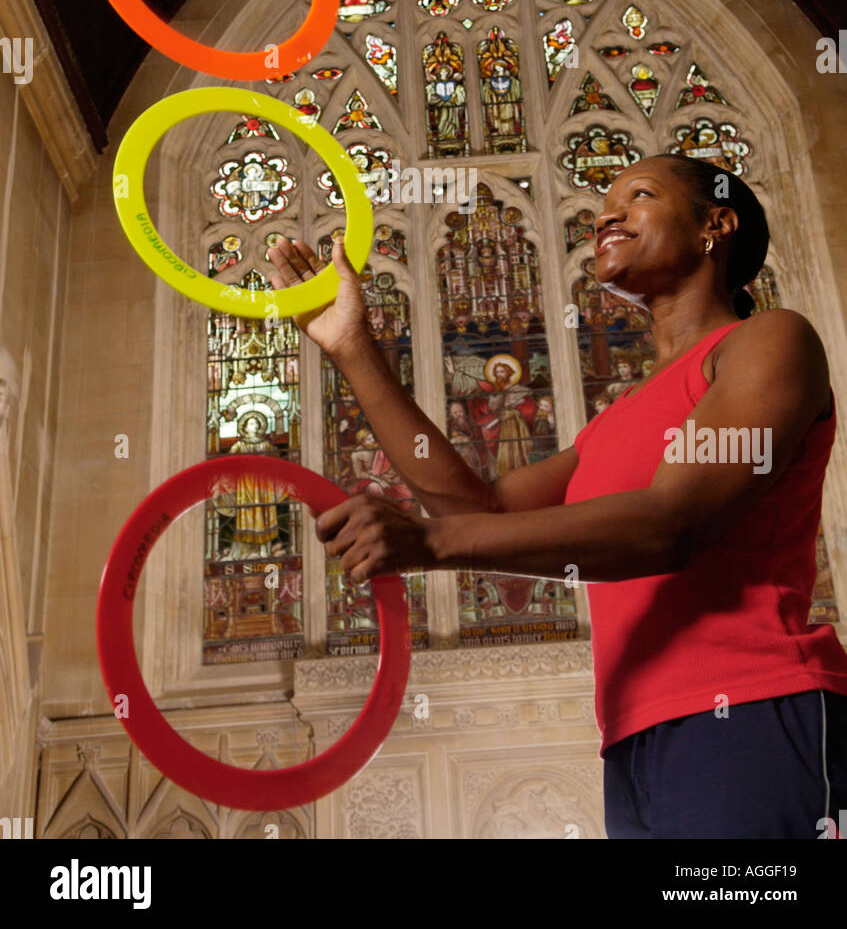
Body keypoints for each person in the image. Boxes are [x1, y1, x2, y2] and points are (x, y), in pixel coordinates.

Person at [267, 154, 847, 839]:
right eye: (603, 204)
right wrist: (352, 347)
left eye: (638, 195)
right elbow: (474, 513)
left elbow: (671, 524)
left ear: (713, 225)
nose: (606, 214)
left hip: (754, 709)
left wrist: (428, 543)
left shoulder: (769, 341)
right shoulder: (612, 420)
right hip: (631, 741)